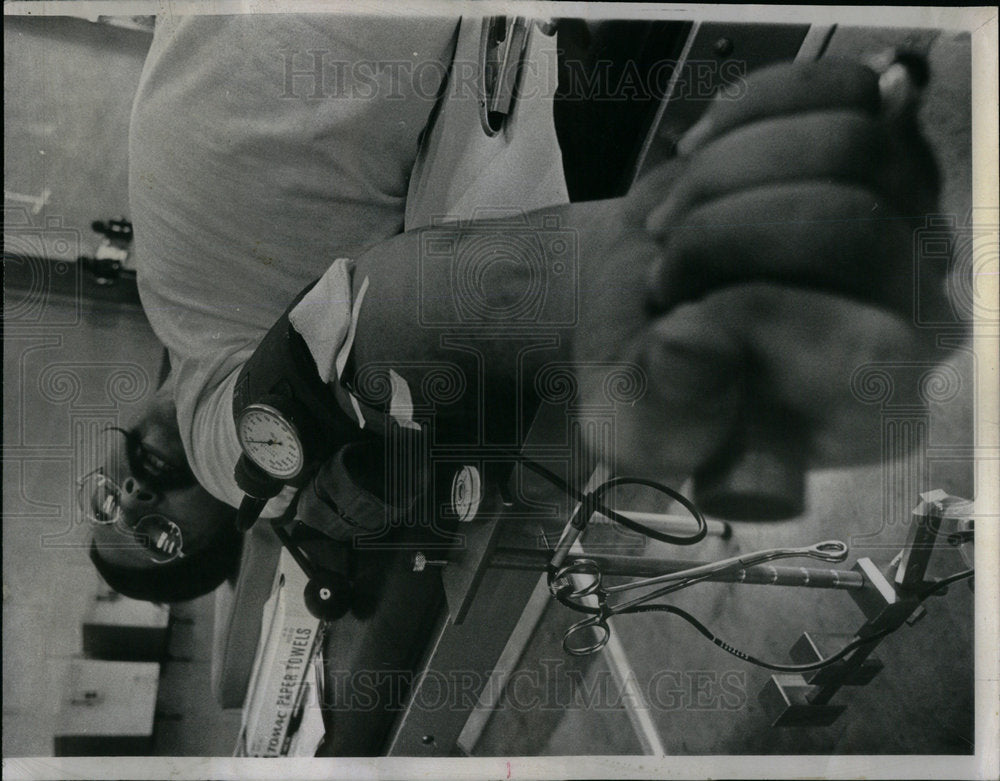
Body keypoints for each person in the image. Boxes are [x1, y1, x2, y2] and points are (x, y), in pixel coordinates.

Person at [90, 12, 944, 593]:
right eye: (159, 533)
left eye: (104, 501)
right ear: (226, 536)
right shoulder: (232, 443)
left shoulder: (207, 384)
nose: (133, 497)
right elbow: (333, 357)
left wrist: (649, 261)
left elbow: (334, 363)